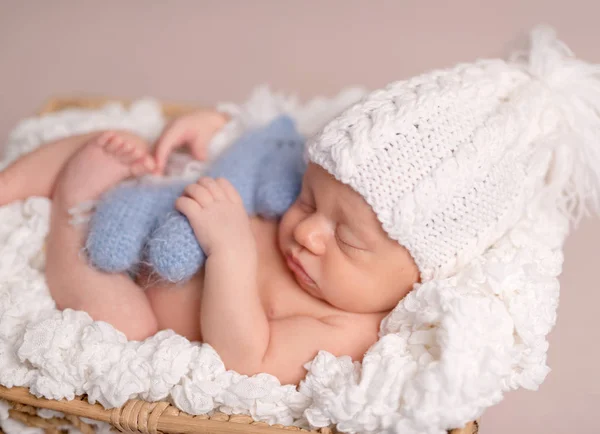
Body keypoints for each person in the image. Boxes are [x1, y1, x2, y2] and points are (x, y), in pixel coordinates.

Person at [1, 27, 598, 388]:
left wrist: (232, 251)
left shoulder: (352, 329)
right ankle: (14, 184)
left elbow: (246, 358)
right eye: (311, 197)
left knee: (122, 324)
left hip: (136, 292)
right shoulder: (321, 213)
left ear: (419, 276)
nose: (309, 231)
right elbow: (265, 146)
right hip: (162, 211)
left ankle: (71, 204)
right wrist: (216, 129)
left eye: (349, 240)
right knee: (131, 145)